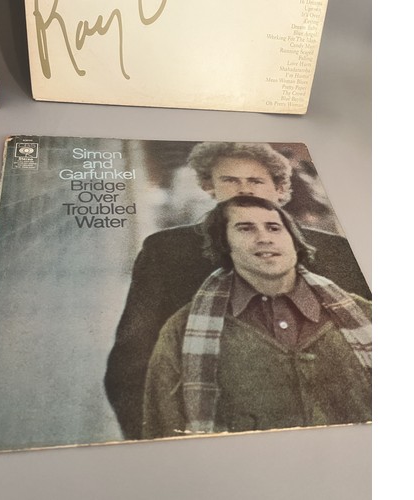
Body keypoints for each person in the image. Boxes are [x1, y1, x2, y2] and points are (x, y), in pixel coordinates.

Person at [104, 142, 371, 439]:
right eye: (230, 180)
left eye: (256, 181)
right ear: (210, 187)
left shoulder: (338, 252)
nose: (244, 190)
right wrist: (158, 444)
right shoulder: (168, 252)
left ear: (280, 189)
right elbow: (132, 367)